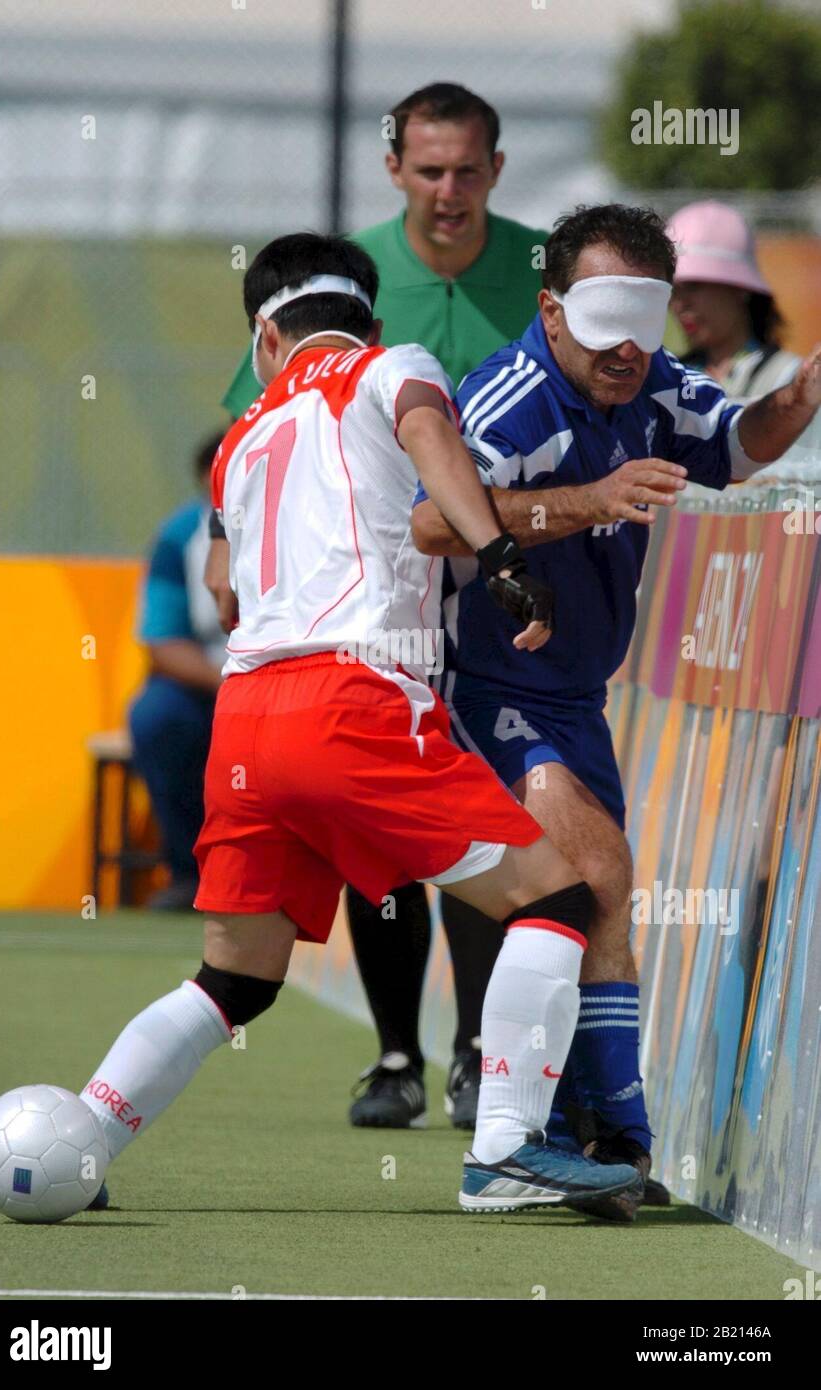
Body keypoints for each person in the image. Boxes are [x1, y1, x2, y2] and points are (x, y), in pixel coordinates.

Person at [81, 231, 646, 1216]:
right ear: (369, 321)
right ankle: (507, 1149)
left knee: (235, 978)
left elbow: (223, 592)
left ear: (266, 336)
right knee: (560, 901)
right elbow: (432, 440)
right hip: (357, 696)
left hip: (247, 714)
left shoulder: (240, 440)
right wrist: (499, 559)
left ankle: (82, 1133)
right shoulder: (394, 364)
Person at [411, 203, 821, 1219]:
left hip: (574, 698)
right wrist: (591, 499)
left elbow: (741, 445)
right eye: (602, 329)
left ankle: (593, 1141)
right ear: (550, 313)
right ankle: (532, 1142)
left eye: (645, 322)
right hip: (482, 688)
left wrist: (806, 386)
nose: (627, 352)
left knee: (593, 893)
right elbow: (427, 520)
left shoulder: (655, 382)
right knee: (596, 873)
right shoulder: (509, 401)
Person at [207, 82, 552, 1131]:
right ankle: (399, 1049)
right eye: (428, 170)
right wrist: (231, 560)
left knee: (486, 826)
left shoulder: (546, 269)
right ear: (394, 169)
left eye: (467, 171)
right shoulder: (337, 282)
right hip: (375, 606)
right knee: (387, 836)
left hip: (511, 592)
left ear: (498, 170)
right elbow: (251, 425)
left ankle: (478, 1054)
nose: (448, 192)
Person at [129, 434, 226, 911]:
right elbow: (162, 642)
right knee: (157, 716)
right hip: (216, 680)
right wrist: (228, 684)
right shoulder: (180, 536)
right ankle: (190, 873)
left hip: (294, 675)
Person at [667, 200, 801, 398]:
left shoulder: (792, 379)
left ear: (740, 288)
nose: (679, 304)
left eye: (693, 286)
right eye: (672, 290)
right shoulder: (667, 378)